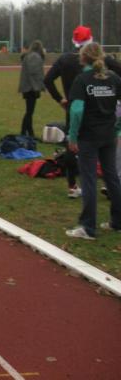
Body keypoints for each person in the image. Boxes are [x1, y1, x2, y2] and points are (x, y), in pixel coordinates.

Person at [44, 25, 121, 197]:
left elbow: (47, 79)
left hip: (73, 108)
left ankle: (72, 186)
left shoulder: (64, 59)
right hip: (99, 110)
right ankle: (110, 185)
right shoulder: (102, 58)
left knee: (72, 145)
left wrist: (60, 99)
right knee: (105, 148)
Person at [64, 42, 121, 240]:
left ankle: (88, 227)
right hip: (108, 135)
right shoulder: (113, 78)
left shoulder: (82, 80)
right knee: (111, 176)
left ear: (83, 58)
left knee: (88, 179)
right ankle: (117, 221)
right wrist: (118, 127)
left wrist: (72, 136)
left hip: (88, 136)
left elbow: (76, 110)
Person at [18, 40, 45, 138]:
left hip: (28, 86)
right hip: (31, 87)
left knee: (29, 111)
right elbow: (34, 72)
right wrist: (38, 85)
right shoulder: (35, 57)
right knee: (29, 112)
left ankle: (29, 132)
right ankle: (24, 131)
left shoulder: (29, 56)